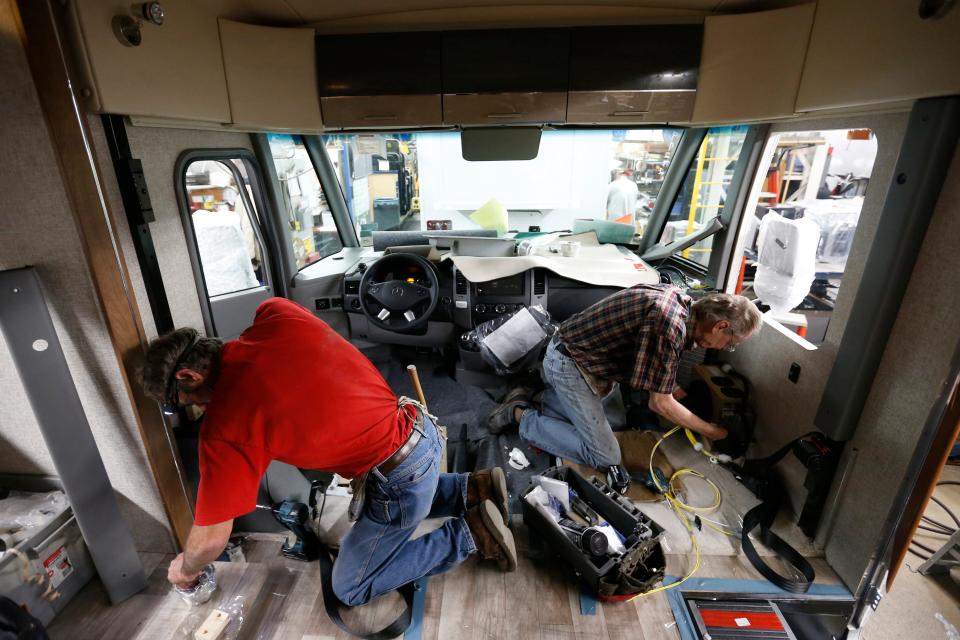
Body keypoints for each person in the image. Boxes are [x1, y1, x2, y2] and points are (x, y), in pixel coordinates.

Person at [141, 298, 516, 607]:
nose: (192, 410)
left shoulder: (225, 428)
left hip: (398, 476)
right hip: (422, 429)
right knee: (403, 496)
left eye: (179, 404)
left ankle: (472, 533)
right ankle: (472, 490)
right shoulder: (275, 315)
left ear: (188, 377)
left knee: (350, 587)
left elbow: (209, 540)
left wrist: (185, 570)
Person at [488, 285, 762, 470]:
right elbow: (660, 403)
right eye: (730, 343)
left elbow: (657, 362)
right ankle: (519, 414)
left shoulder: (681, 302)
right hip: (569, 365)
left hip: (586, 362)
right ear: (721, 326)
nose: (726, 349)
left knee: (618, 422)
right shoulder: (669, 324)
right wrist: (715, 432)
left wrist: (679, 393)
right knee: (606, 456)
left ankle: (539, 395)